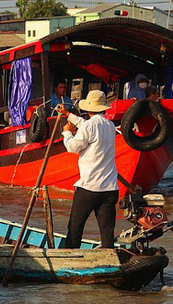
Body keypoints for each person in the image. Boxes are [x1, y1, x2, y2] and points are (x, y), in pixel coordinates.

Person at [56, 91, 119, 249]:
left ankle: (70, 260)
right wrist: (68, 114)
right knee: (107, 234)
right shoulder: (110, 125)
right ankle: (108, 262)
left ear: (89, 109)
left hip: (89, 188)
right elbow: (86, 126)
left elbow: (72, 147)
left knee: (75, 229)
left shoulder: (90, 125)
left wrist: (67, 132)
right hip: (110, 189)